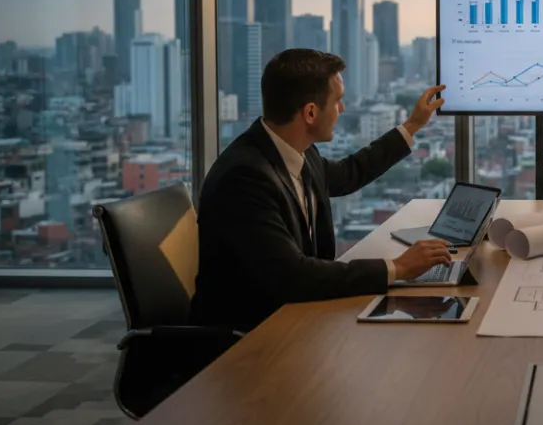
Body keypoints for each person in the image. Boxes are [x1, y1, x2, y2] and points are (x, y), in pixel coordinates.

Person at [190, 49, 453, 331]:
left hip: (297, 318)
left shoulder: (296, 151)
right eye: (338, 101)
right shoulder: (245, 178)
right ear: (311, 112)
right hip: (249, 340)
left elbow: (349, 174)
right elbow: (291, 276)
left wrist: (412, 125)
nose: (342, 109)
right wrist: (398, 268)